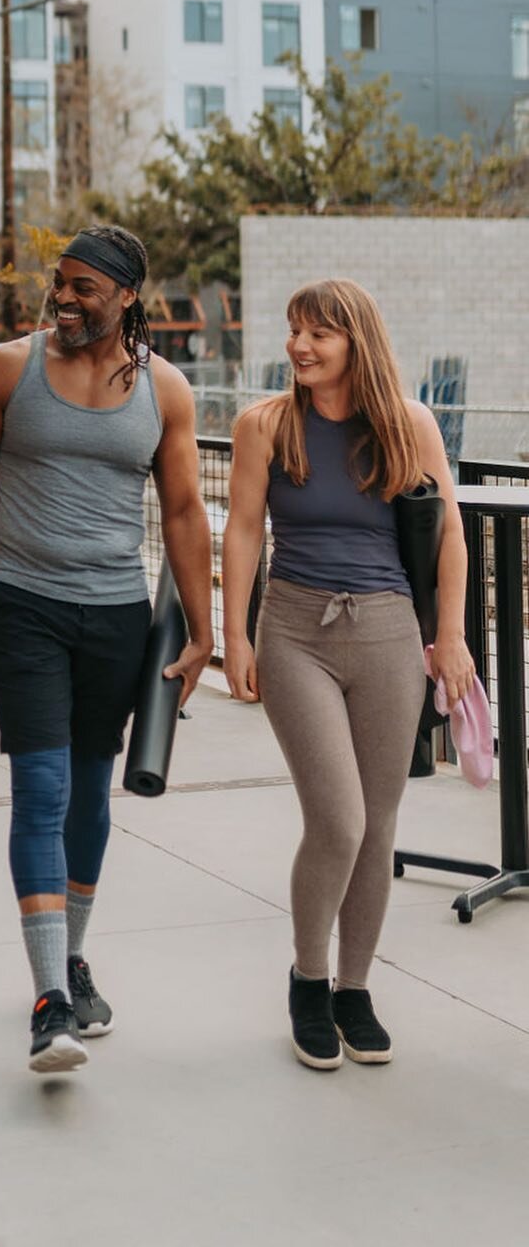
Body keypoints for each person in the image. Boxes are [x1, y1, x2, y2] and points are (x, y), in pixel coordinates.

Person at [0, 224, 213, 1073]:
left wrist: (206, 630)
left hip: (116, 612)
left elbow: (183, 511)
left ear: (127, 295)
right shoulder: (6, 369)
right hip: (22, 602)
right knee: (42, 786)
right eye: (60, 282)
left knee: (92, 793)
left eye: (84, 286)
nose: (64, 297)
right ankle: (49, 996)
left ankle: (71, 960)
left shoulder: (163, 390)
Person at [222, 278, 474, 1070]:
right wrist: (234, 633)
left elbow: (449, 536)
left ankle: (353, 988)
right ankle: (308, 975)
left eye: (317, 334)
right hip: (295, 629)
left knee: (379, 822)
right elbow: (240, 532)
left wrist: (452, 635)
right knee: (337, 819)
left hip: (389, 631)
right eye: (294, 329)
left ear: (355, 341)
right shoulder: (264, 424)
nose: (298, 345)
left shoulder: (408, 424)